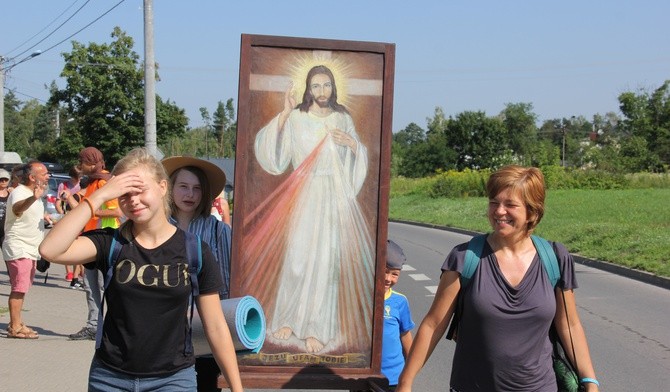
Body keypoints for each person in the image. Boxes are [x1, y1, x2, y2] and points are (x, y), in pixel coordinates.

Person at [38, 148, 243, 391]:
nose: (133, 200)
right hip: (110, 378)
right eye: (124, 194)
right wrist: (98, 197)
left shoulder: (196, 251)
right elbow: (50, 250)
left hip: (173, 379)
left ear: (162, 187)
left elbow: (216, 327)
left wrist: (236, 388)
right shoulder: (110, 243)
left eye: (140, 190)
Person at [396, 165, 599, 392]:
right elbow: (433, 324)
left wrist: (589, 380)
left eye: (510, 204)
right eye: (494, 202)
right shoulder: (465, 258)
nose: (499, 211)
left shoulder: (555, 258)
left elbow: (569, 324)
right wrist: (405, 383)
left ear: (532, 212)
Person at [242, 64, 374, 354]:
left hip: (331, 197)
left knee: (326, 263)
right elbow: (273, 155)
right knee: (298, 258)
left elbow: (357, 158)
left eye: (326, 85)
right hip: (302, 194)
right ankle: (288, 317)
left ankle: (316, 327)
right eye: (316, 86)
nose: (322, 91)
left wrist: (353, 144)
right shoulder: (298, 118)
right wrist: (286, 112)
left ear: (334, 87)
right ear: (308, 89)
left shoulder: (343, 118)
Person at [162, 156, 232, 392]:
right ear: (170, 189)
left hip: (205, 334)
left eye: (197, 188)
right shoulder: (157, 227)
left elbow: (225, 285)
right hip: (162, 333)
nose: (190, 194)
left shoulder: (218, 230)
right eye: (183, 187)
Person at [68, 147, 124, 341]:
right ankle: (98, 325)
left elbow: (116, 212)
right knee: (93, 285)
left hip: (102, 240)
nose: (79, 165)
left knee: (95, 287)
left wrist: (88, 210)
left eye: (81, 161)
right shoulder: (95, 181)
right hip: (95, 238)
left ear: (91, 163)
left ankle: (96, 326)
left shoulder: (103, 182)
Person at [3, 161, 50, 339]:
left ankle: (17, 322)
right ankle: (15, 327)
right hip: (19, 247)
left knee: (22, 288)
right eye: (44, 173)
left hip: (30, 249)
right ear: (32, 177)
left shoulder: (32, 194)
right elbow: (17, 208)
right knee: (19, 287)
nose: (48, 176)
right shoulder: (20, 193)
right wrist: (33, 198)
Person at [381, 240, 415, 391]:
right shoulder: (360, 299)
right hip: (363, 376)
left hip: (394, 377)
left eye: (394, 274)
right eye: (385, 271)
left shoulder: (400, 301)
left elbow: (405, 336)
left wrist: (409, 373)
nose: (388, 278)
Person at [56, 165, 83, 287]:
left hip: (80, 218)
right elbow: (58, 202)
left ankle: (78, 274)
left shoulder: (82, 186)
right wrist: (61, 213)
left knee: (79, 246)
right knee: (67, 245)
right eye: (76, 177)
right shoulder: (64, 185)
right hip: (67, 217)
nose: (78, 180)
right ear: (71, 176)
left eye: (80, 177)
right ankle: (69, 273)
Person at [0, 168, 12, 248]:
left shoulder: (12, 193)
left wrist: (13, 194)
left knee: (8, 256)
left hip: (6, 231)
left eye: (6, 179)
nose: (4, 181)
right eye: (1, 179)